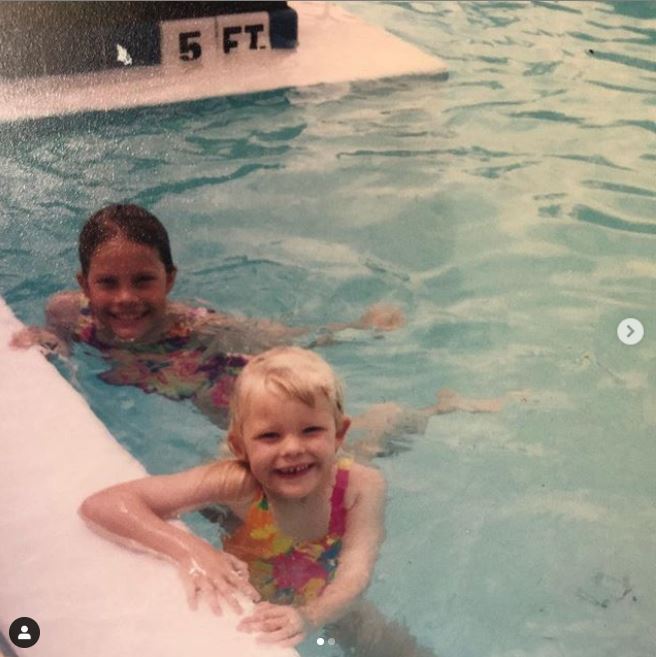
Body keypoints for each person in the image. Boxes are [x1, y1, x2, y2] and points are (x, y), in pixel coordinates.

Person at [10, 203, 505, 444]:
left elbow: (274, 338)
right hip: (156, 380)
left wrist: (355, 327)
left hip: (205, 375)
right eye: (108, 283)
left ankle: (425, 413)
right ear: (83, 282)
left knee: (302, 453)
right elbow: (66, 349)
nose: (125, 299)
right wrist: (50, 342)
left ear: (170, 279)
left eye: (143, 281)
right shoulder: (64, 311)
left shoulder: (195, 327)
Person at [79, 347, 436, 656]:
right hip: (261, 581)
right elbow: (105, 504)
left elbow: (356, 573)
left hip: (323, 592)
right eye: (269, 436)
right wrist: (192, 551)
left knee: (394, 647)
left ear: (338, 433)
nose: (292, 447)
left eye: (311, 430)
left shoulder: (362, 486)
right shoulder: (238, 483)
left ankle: (424, 412)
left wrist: (312, 615)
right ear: (240, 447)